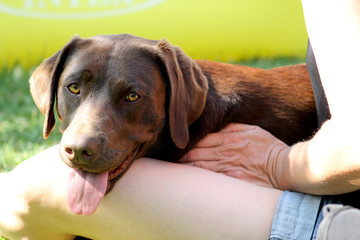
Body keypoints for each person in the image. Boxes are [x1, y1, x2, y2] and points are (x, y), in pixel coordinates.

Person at [1, 0, 360, 239]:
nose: (81, 139)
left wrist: (279, 163)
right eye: (74, 90)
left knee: (26, 191)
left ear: (179, 103)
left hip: (337, 222)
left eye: (132, 97)